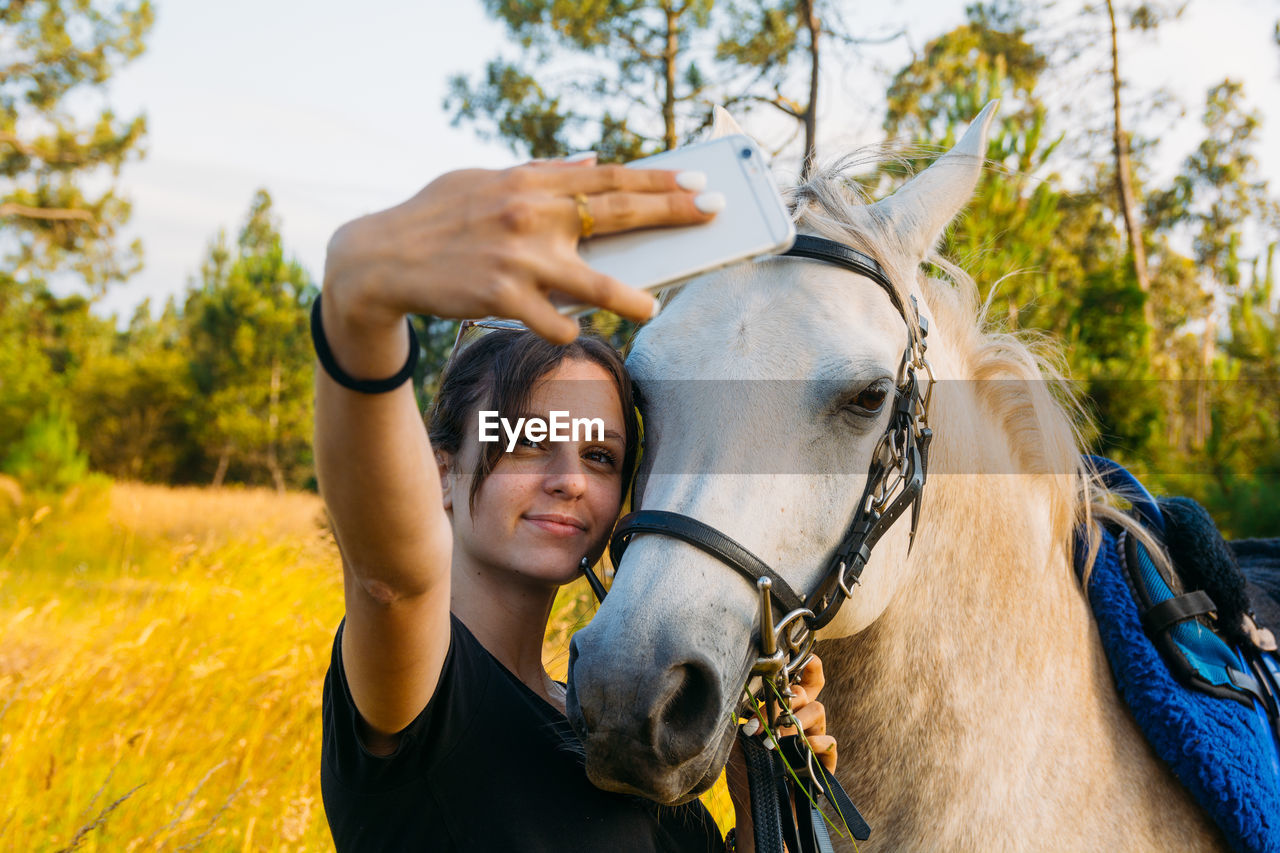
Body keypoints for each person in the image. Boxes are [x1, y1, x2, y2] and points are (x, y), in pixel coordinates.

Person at [313, 156, 836, 852]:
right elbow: (390, 578)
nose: (571, 479)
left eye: (601, 457)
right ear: (440, 471)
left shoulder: (616, 728)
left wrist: (759, 789)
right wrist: (358, 299)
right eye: (530, 439)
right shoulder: (425, 690)